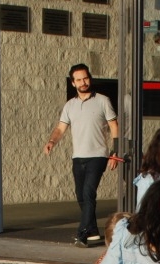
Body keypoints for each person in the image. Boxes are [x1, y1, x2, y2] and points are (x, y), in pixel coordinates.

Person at [44, 64, 120, 248]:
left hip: (98, 155)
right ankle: (93, 231)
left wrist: (114, 151)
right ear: (73, 83)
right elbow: (61, 128)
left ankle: (83, 234)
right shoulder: (70, 105)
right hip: (78, 157)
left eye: (85, 78)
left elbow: (113, 126)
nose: (83, 82)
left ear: (89, 79)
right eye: (78, 79)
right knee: (80, 195)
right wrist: (52, 141)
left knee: (88, 193)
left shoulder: (103, 100)